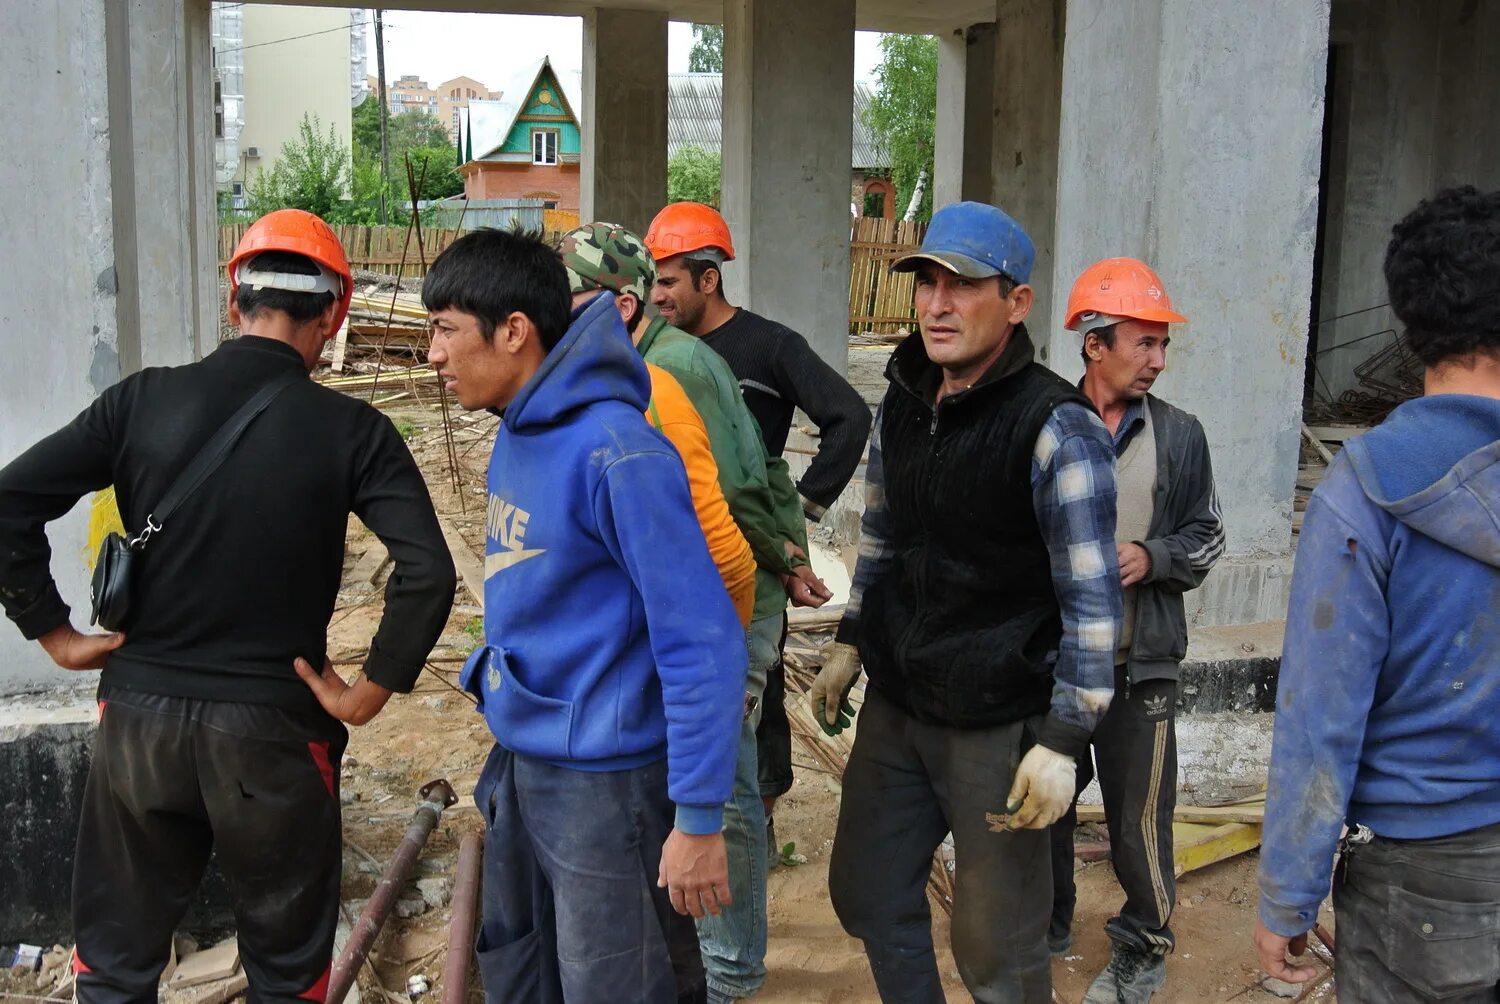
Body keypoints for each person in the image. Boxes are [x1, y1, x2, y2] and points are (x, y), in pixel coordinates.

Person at [0, 209, 456, 1004]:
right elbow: (427, 571)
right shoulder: (353, 429)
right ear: (333, 314)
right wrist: (368, 690)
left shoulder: (140, 401)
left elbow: (9, 500)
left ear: (232, 301)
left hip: (137, 720)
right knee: (287, 973)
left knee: (113, 965)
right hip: (273, 735)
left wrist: (55, 634)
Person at [810, 201, 1123, 1002]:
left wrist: (1063, 737)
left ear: (1016, 302)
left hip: (998, 722)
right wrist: (851, 639)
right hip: (903, 703)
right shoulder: (907, 401)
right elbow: (882, 534)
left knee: (999, 947)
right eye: (926, 284)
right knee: (868, 892)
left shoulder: (1057, 427)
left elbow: (1091, 602)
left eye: (963, 286)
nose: (936, 305)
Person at [424, 227, 745, 1003]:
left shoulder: (620, 455)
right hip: (527, 765)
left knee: (618, 984)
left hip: (608, 791)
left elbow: (702, 641)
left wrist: (699, 819)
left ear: (514, 331)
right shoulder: (519, 430)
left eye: (444, 329)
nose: (432, 354)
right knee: (523, 968)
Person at [559, 220, 826, 1004]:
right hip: (706, 610)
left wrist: (735, 629)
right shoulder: (637, 368)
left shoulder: (672, 374)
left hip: (731, 604)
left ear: (622, 304)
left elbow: (739, 503)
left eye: (570, 300)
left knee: (728, 795)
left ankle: (732, 977)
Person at [1256, 186, 1500, 1001]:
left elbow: (1322, 716)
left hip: (1424, 882)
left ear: (1409, 316)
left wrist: (1289, 894)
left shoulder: (1365, 491)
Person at [644, 201, 869, 864]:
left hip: (752, 544)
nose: (656, 294)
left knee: (756, 690)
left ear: (708, 280)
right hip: (689, 545)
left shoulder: (768, 348)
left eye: (669, 281)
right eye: (651, 281)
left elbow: (849, 417)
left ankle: (757, 819)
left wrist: (798, 513)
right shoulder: (656, 352)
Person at [1048, 258, 1225, 1003]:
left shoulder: (1180, 436)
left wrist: (1151, 556)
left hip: (1138, 666)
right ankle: (1045, 925)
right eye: (1142, 343)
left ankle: (1143, 945)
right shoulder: (1047, 423)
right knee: (1041, 804)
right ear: (1095, 344)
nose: (1156, 360)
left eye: (1162, 346)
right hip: (1052, 664)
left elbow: (1209, 538)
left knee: (1139, 819)